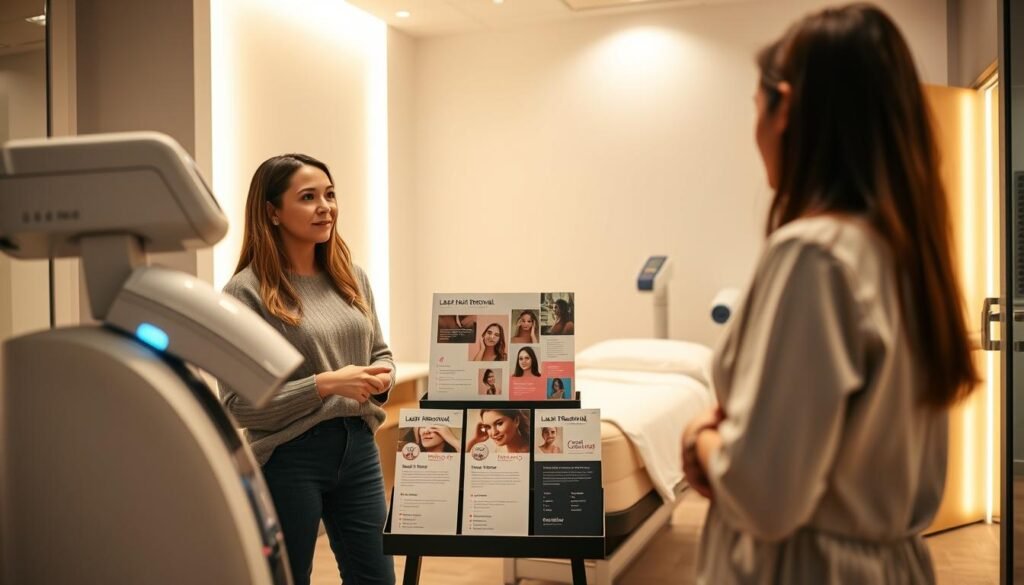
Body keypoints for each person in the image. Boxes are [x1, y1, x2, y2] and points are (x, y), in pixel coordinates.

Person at [680, 5, 978, 584]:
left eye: (755, 107)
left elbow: (764, 493)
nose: (753, 132)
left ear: (785, 107)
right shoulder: (906, 259)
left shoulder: (812, 257)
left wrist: (702, 439)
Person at [219, 154, 396, 585]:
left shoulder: (351, 276)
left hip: (359, 447)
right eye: (308, 197)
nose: (325, 207)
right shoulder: (245, 293)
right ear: (272, 212)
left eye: (330, 195)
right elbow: (238, 406)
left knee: (377, 579)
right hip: (289, 457)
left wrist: (381, 376)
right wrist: (326, 384)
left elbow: (381, 352)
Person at [466, 409, 531, 454]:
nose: (494, 432)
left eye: (499, 423)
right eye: (488, 427)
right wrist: (474, 441)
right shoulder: (496, 451)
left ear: (516, 421)